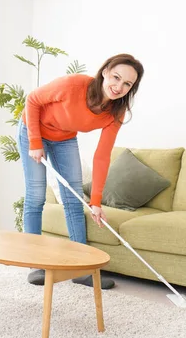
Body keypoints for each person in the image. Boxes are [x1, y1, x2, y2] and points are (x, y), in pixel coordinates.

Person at [16, 53, 144, 289]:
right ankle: (34, 264)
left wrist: (96, 201)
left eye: (127, 84)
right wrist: (35, 142)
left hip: (64, 138)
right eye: (116, 77)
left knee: (73, 200)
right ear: (105, 71)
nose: (118, 87)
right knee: (35, 196)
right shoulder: (73, 85)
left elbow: (102, 156)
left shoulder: (116, 113)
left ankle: (82, 269)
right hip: (32, 130)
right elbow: (33, 100)